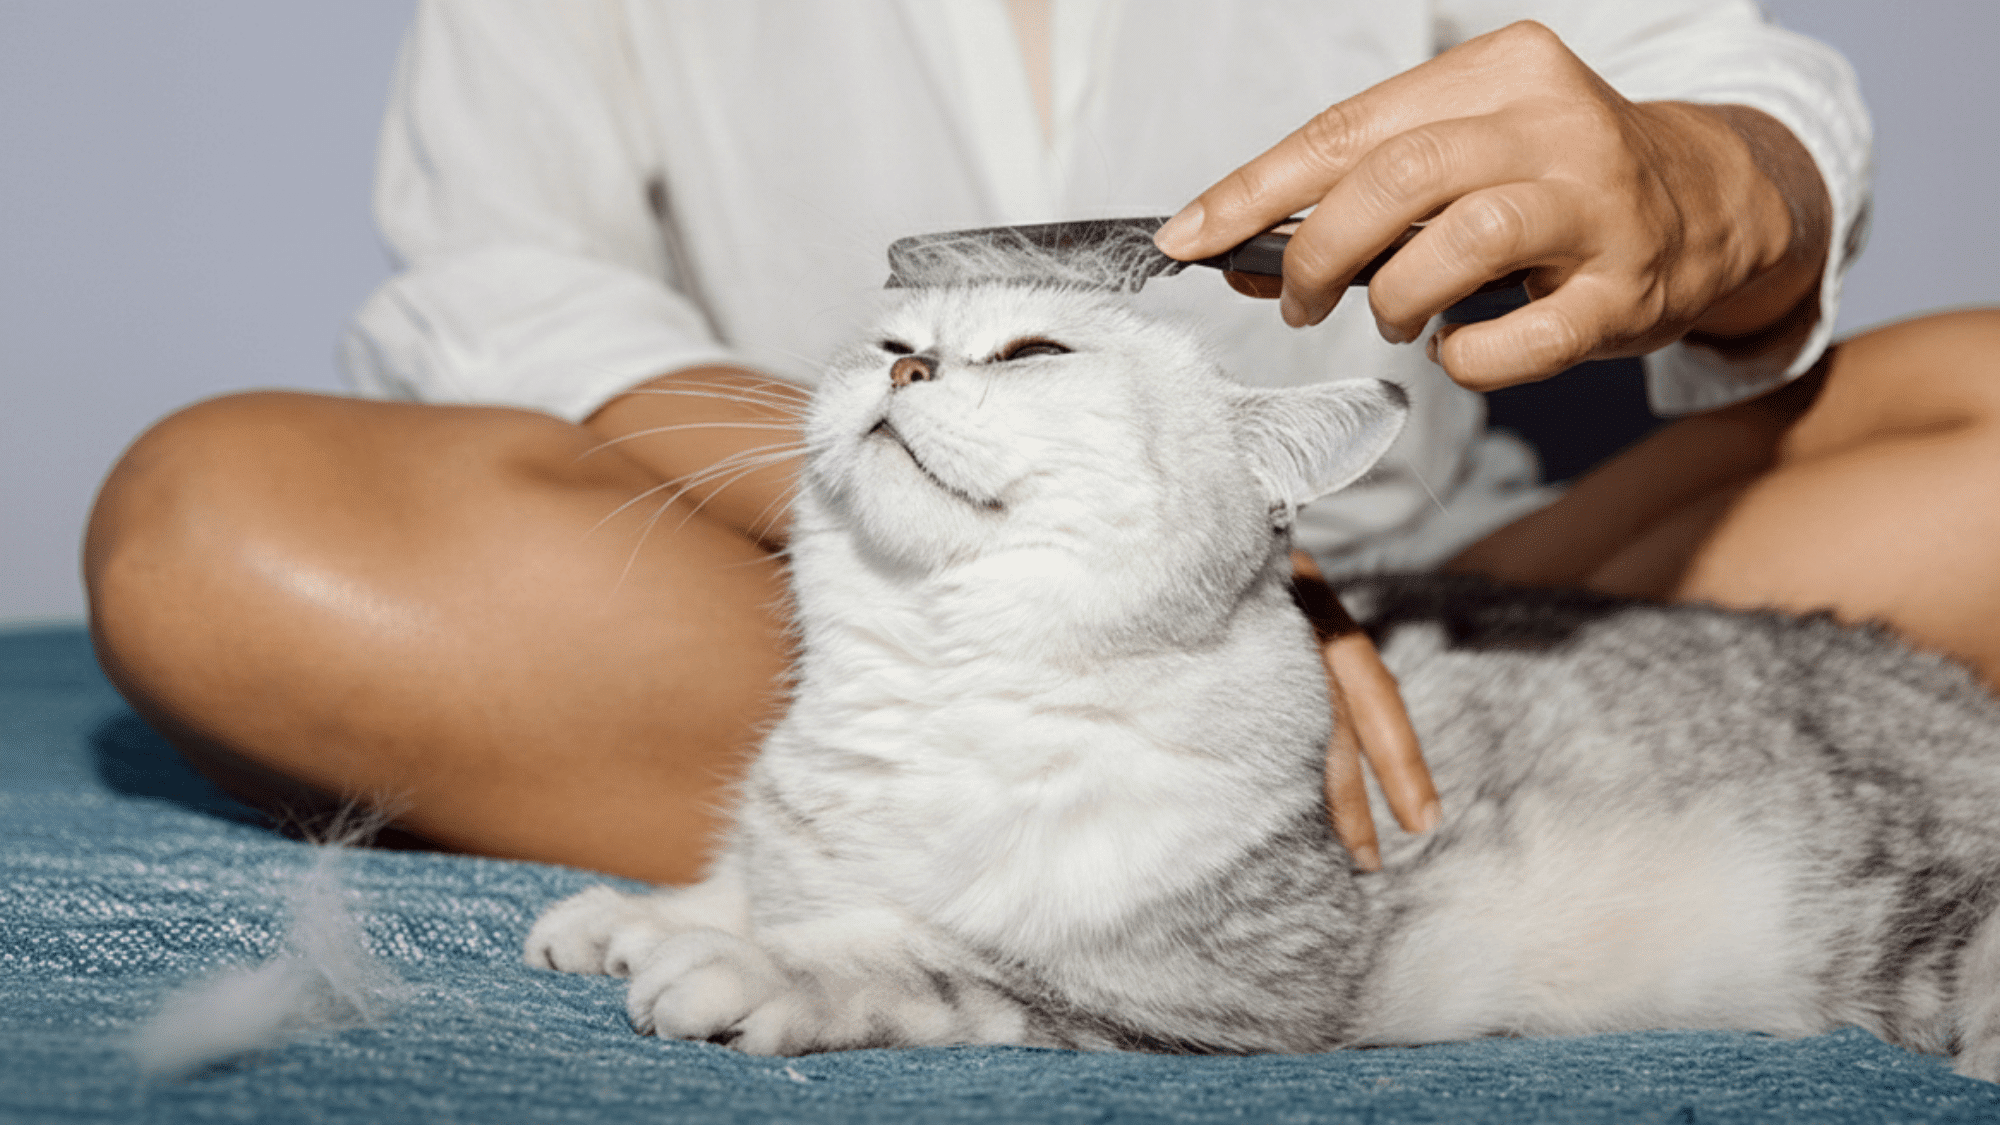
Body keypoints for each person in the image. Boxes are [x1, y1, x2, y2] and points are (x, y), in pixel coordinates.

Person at [87, 2, 1997, 887]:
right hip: (873, 622)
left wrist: (1700, 176)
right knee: (219, 528)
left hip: (1437, 622)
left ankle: (1250, 813)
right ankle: (1184, 849)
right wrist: (1121, 550)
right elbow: (514, 277)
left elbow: (1729, 84)